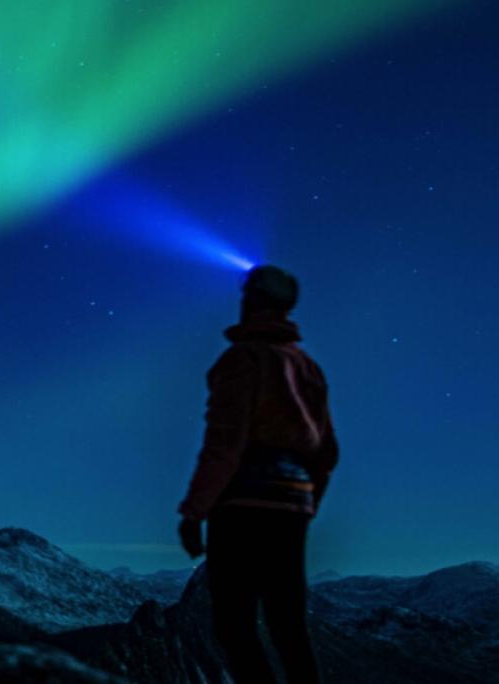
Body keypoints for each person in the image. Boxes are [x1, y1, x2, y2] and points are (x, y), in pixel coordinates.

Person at [177, 265, 338, 684]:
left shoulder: (241, 360)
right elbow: (326, 451)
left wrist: (195, 512)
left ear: (251, 300)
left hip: (241, 504)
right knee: (288, 624)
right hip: (293, 503)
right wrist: (307, 503)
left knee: (234, 625)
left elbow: (224, 444)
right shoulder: (308, 368)